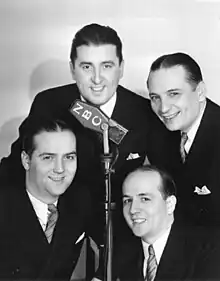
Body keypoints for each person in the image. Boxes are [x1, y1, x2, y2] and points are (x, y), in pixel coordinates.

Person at [0, 23, 170, 244]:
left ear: (121, 68)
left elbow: (166, 179)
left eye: (107, 66)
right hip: (62, 225)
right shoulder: (49, 103)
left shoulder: (144, 113)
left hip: (122, 227)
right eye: (87, 67)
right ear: (72, 69)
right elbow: (15, 167)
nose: (97, 79)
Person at [0, 117, 93, 280]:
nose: (60, 169)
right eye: (48, 157)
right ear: (26, 160)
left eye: (69, 157)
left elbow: (119, 239)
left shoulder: (80, 202)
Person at [147, 52, 220, 227]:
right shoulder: (162, 134)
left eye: (173, 94)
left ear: (200, 92)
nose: (163, 108)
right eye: (155, 97)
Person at [111, 165, 211, 281]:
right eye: (127, 201)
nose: (133, 209)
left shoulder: (208, 250)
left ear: (169, 204)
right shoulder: (120, 251)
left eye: (145, 199)